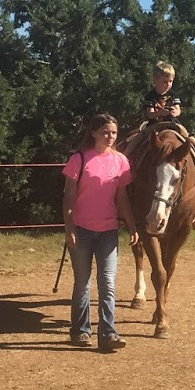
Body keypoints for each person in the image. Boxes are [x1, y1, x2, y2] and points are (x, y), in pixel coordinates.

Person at [63, 113, 141, 351]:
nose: (110, 136)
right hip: (82, 229)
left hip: (108, 231)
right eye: (106, 132)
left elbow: (122, 198)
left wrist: (132, 226)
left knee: (107, 283)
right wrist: (69, 228)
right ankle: (80, 330)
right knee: (82, 283)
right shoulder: (79, 159)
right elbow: (68, 197)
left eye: (114, 133)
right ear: (94, 133)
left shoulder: (121, 161)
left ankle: (108, 333)